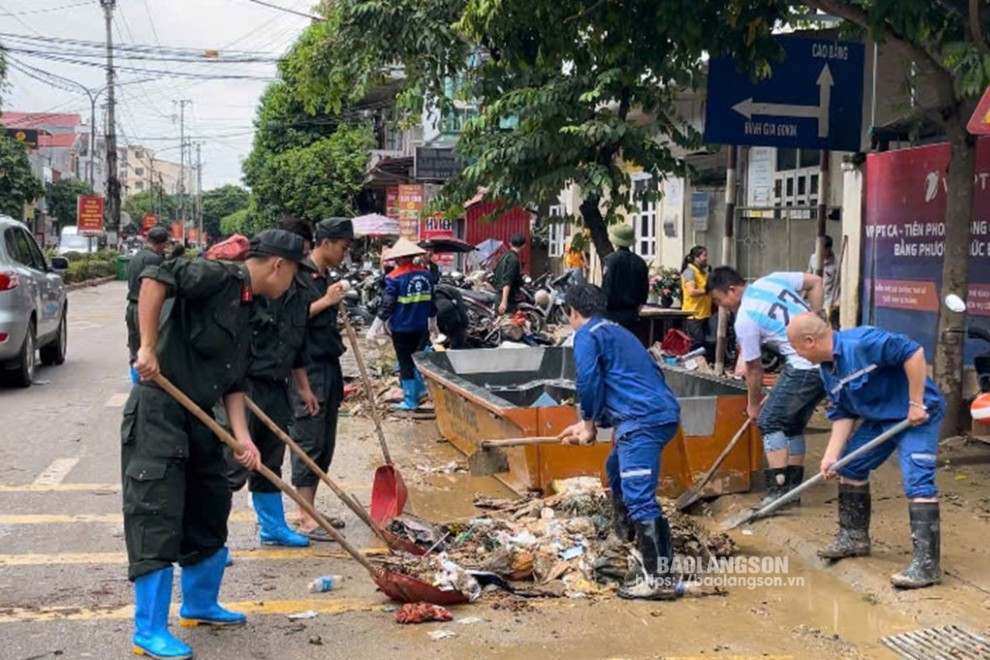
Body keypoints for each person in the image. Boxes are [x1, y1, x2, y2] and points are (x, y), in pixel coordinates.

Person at [123, 229, 311, 659]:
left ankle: (199, 604)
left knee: (209, 504)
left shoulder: (253, 309)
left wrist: (243, 439)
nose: (293, 286)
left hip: (204, 415)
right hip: (160, 410)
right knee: (156, 513)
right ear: (278, 265)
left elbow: (234, 381)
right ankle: (148, 631)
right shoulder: (215, 275)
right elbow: (155, 277)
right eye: (294, 274)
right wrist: (148, 347)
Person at [787, 313, 944, 589]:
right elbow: (842, 413)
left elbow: (914, 352)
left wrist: (916, 403)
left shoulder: (862, 342)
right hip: (880, 419)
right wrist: (831, 456)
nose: (796, 354)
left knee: (918, 482)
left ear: (810, 341)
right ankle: (854, 537)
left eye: (796, 347)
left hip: (917, 416)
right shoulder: (828, 370)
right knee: (850, 468)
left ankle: (927, 566)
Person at [559, 284, 681, 600]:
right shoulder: (618, 331)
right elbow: (627, 378)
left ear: (573, 311)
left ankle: (660, 580)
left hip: (642, 422)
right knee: (614, 468)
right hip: (658, 414)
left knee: (640, 496)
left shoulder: (586, 334)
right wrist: (587, 424)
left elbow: (588, 380)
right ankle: (627, 538)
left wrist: (588, 425)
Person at [225, 217, 321, 549]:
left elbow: (297, 342)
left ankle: (272, 527)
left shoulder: (302, 287)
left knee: (270, 460)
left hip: (278, 385)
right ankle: (212, 543)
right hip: (246, 387)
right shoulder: (252, 289)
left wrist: (304, 387)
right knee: (232, 463)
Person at [706, 267, 825, 512]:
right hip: (826, 361)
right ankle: (791, 492)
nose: (723, 307)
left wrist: (752, 404)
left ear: (732, 290)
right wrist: (815, 318)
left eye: (720, 300)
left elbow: (753, 368)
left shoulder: (746, 318)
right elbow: (815, 282)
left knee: (770, 421)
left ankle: (777, 492)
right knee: (791, 425)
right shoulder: (771, 280)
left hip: (804, 367)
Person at [290, 217, 352, 540]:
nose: (345, 253)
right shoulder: (298, 275)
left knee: (325, 442)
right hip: (307, 367)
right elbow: (289, 319)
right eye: (342, 247)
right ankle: (303, 516)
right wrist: (326, 301)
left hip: (329, 366)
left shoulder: (326, 276)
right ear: (325, 243)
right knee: (309, 439)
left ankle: (310, 508)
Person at [367, 237, 438, 410]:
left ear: (397, 259)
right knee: (419, 360)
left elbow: (387, 306)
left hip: (402, 328)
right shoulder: (426, 275)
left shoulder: (394, 278)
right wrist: (433, 324)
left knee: (405, 363)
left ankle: (410, 400)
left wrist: (373, 329)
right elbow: (432, 303)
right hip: (421, 328)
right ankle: (421, 392)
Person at [125, 226, 169, 384]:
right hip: (147, 309)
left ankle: (135, 381)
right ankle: (148, 384)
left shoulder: (137, 256)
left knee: (135, 346)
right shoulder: (155, 259)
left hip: (131, 307)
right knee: (150, 346)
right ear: (163, 244)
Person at [602, 223, 648, 332]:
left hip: (613, 313)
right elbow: (644, 290)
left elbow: (607, 287)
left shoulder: (611, 260)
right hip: (632, 314)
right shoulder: (640, 262)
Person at [680, 246, 713, 361]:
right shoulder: (690, 271)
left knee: (706, 343)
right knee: (696, 343)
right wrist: (707, 291)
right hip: (693, 313)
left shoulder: (703, 272)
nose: (706, 258)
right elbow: (692, 291)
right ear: (696, 257)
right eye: (704, 255)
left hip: (705, 313)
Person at [808, 235, 840, 329]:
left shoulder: (837, 262)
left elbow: (843, 284)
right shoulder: (814, 258)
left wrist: (838, 301)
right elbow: (809, 275)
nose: (820, 252)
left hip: (830, 300)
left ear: (829, 249)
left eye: (823, 250)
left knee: (828, 325)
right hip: (814, 298)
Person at [493, 233, 526, 315]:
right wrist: (504, 301)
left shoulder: (504, 256)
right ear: (523, 246)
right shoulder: (514, 260)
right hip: (507, 298)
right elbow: (507, 281)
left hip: (498, 295)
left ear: (510, 243)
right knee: (508, 325)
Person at [434, 283, 470, 349]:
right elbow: (462, 312)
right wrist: (465, 326)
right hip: (446, 308)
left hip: (433, 311)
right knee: (457, 331)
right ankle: (456, 350)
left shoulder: (432, 288)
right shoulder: (455, 292)